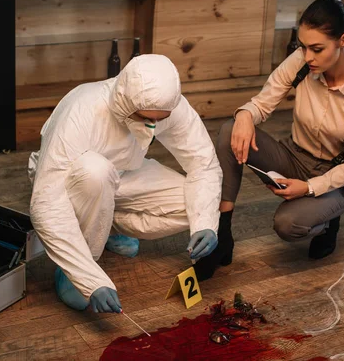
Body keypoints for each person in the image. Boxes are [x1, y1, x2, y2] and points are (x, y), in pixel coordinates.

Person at [193, 0, 344, 281]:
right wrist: (246, 115)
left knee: (287, 224)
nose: (308, 56)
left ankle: (327, 223)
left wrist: (309, 188)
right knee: (230, 129)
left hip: (335, 178)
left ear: (343, 40)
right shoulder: (302, 63)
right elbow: (262, 103)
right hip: (293, 156)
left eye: (317, 49)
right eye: (303, 46)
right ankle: (222, 234)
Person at [28, 54, 222, 313]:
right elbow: (47, 202)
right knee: (95, 171)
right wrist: (88, 280)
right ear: (124, 102)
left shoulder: (172, 106)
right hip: (75, 181)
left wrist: (206, 223)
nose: (153, 126)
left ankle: (107, 225)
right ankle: (76, 265)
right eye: (145, 118)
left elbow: (203, 163)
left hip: (125, 172)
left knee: (193, 206)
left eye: (160, 119)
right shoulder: (82, 108)